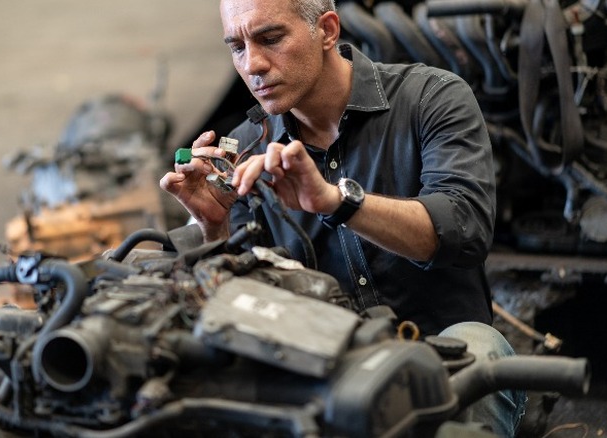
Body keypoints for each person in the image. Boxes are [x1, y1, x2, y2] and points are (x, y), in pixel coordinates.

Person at [160, 0, 526, 435]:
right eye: (236, 47)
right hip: (322, 367)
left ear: (328, 31)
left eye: (271, 39)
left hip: (443, 354)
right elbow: (233, 307)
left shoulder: (431, 98)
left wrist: (337, 201)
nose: (253, 64)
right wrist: (213, 227)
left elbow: (461, 229)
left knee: (482, 348)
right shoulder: (242, 151)